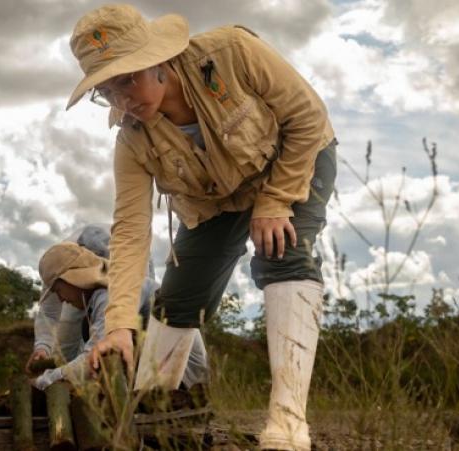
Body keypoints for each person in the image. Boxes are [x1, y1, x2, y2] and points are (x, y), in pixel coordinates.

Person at [66, 5, 337, 451]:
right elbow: (130, 232)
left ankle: (288, 421)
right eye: (107, 90)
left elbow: (307, 117)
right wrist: (118, 326)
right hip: (213, 200)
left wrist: (275, 200)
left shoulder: (233, 51)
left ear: (158, 60)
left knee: (281, 249)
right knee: (177, 298)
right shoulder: (131, 140)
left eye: (128, 80)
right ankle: (154, 414)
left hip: (293, 159)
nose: (123, 101)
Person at [29, 240, 209, 393]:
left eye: (58, 290)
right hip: (165, 376)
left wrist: (42, 382)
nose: (61, 299)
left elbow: (91, 361)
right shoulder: (102, 294)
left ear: (73, 279)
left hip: (183, 382)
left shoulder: (111, 295)